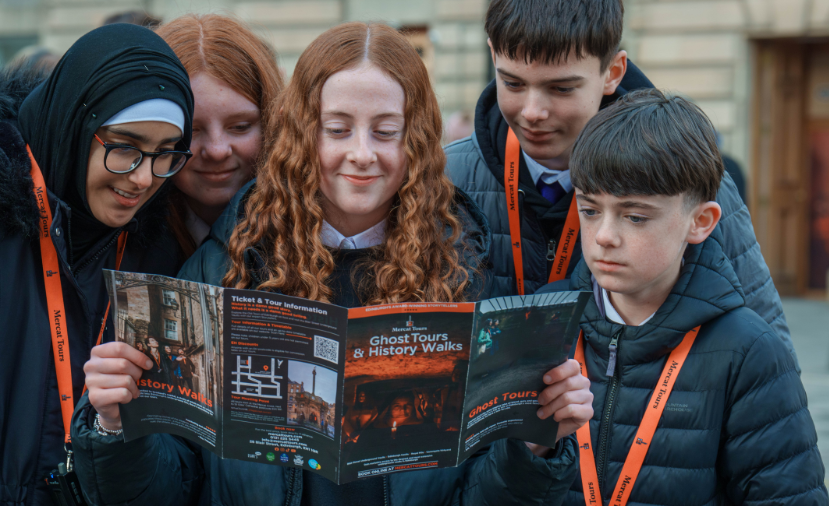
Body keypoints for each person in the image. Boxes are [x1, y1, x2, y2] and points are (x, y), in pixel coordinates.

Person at [73, 22, 593, 506]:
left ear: (415, 141)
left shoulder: (466, 273)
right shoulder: (227, 264)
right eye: (337, 129)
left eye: (385, 131)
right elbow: (171, 484)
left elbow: (481, 493)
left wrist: (533, 449)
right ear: (303, 136)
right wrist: (118, 427)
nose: (362, 154)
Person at [444, 0, 799, 371]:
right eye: (512, 83)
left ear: (613, 71)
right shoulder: (446, 177)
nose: (533, 111)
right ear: (492, 55)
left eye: (562, 88)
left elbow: (770, 358)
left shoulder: (689, 177)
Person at [0, 24, 193, 506]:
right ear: (72, 126)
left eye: (164, 155)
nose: (142, 178)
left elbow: (172, 479)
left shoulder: (156, 249)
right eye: (124, 147)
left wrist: (116, 432)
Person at [541, 89, 827, 505]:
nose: (604, 235)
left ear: (701, 222)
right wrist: (527, 454)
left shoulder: (748, 351)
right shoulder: (540, 321)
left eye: (635, 216)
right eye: (590, 210)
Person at [156, 14, 284, 262]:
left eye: (240, 127)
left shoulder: (314, 229)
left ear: (273, 124)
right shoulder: (122, 240)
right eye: (190, 131)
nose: (216, 150)